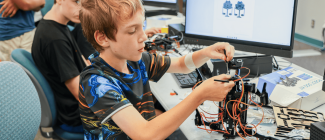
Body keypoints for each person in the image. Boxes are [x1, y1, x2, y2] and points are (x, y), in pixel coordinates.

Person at [78, 0, 236, 139]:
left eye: (143, 26)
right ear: (103, 38)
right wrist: (200, 95)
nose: (143, 37)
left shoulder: (135, 61)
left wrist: (207, 52)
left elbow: (181, 65)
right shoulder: (96, 82)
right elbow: (145, 134)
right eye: (132, 31)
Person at [32, 0, 163, 133]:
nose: (81, 9)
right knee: (159, 116)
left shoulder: (59, 26)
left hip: (82, 105)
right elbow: (80, 92)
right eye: (76, 2)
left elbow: (84, 63)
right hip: (78, 116)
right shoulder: (55, 39)